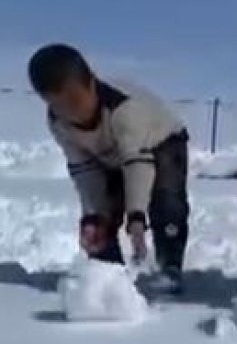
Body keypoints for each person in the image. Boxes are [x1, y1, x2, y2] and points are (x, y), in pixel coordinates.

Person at [29, 44, 191, 293]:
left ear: (91, 83)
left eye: (74, 100)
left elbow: (138, 164)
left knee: (166, 201)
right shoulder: (58, 123)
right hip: (111, 157)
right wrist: (94, 215)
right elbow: (85, 172)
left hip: (161, 144)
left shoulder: (123, 109)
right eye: (57, 105)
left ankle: (169, 266)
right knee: (100, 217)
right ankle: (110, 272)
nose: (70, 111)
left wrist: (136, 216)